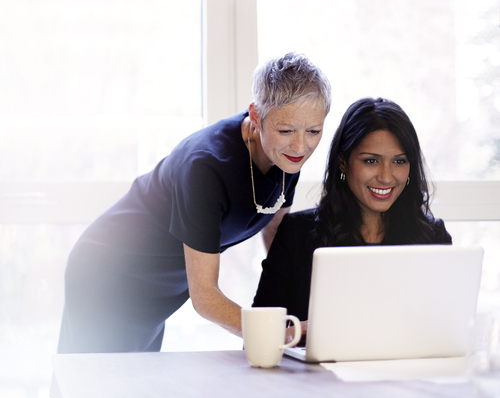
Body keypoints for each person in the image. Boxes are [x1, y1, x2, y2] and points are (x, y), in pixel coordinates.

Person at [56, 52, 332, 354]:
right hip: (109, 275)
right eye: (286, 130)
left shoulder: (287, 153)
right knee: (103, 395)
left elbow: (275, 232)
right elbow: (205, 296)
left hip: (160, 291)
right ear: (256, 115)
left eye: (314, 131)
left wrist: (304, 301)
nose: (301, 145)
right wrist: (275, 332)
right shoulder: (206, 168)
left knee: (134, 393)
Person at [252, 97, 452, 341]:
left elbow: (449, 332)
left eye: (399, 161)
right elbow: (256, 340)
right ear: (343, 162)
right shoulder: (297, 234)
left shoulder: (433, 237)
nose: (386, 177)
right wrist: (285, 336)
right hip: (317, 378)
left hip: (407, 377)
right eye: (371, 161)